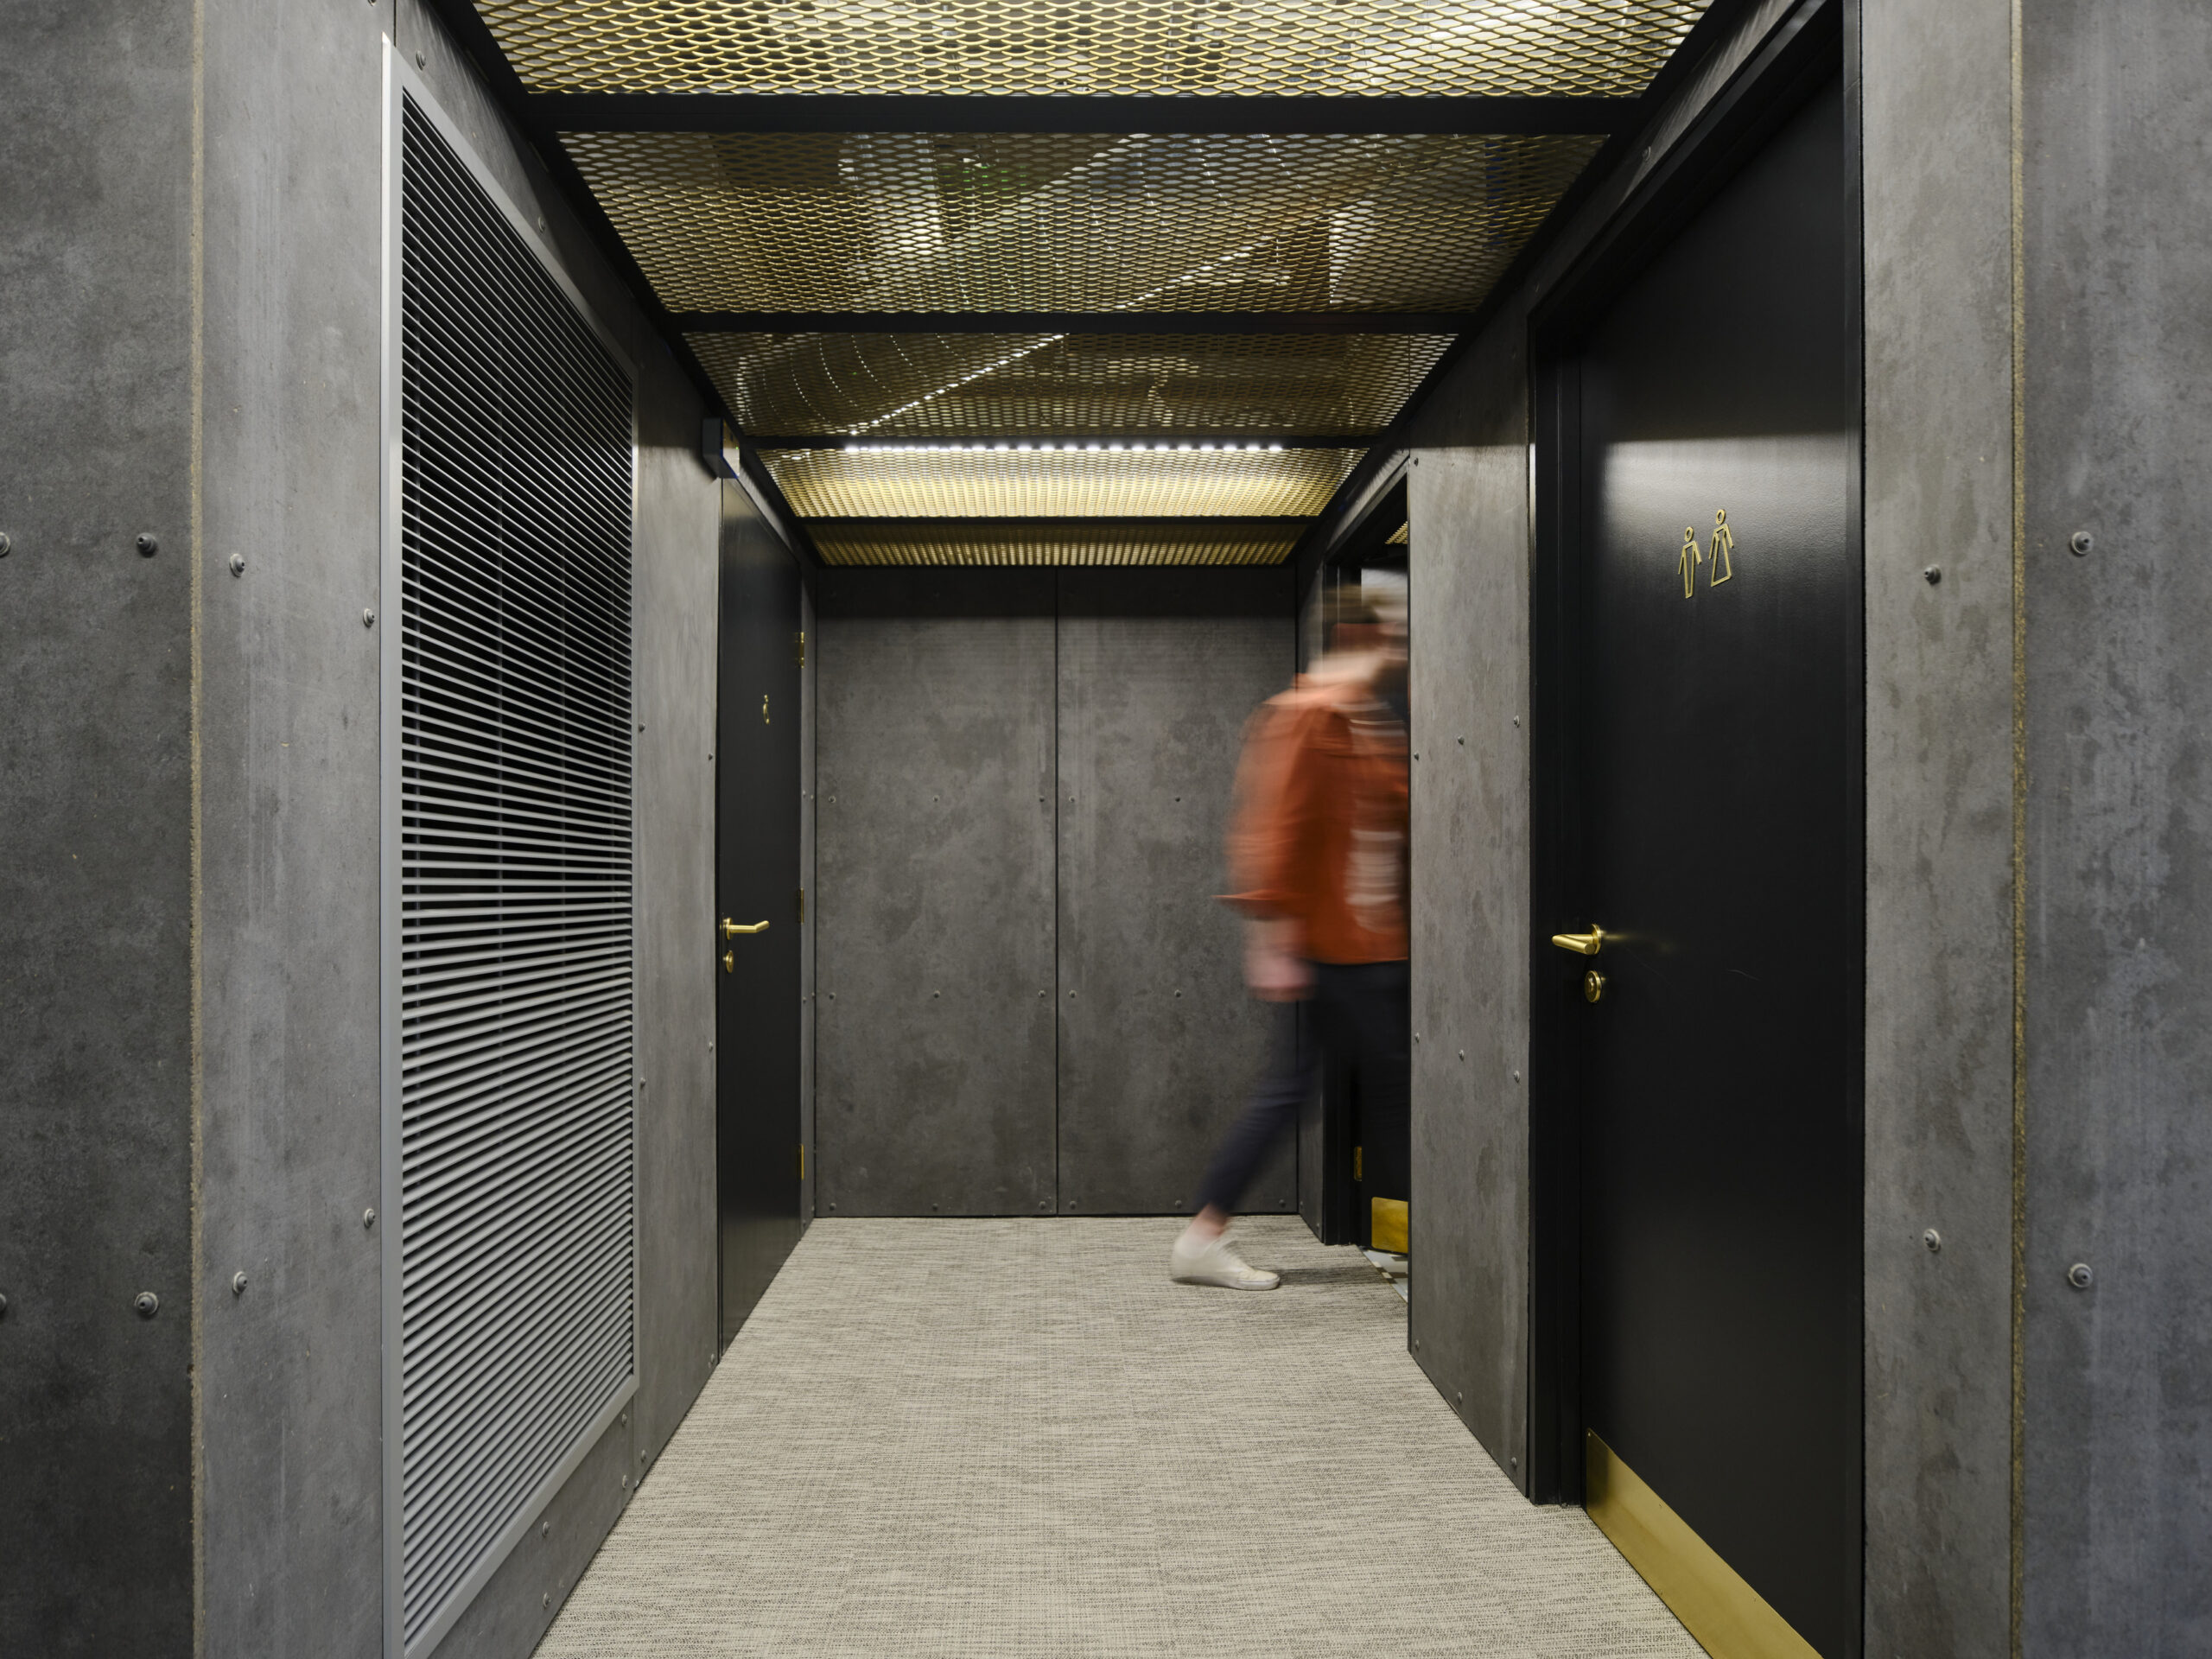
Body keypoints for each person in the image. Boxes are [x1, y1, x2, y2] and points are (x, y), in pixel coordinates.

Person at [1171, 588, 1409, 1290]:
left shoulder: (1365, 721)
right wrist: (1272, 935)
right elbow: (1272, 829)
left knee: (1321, 1087)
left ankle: (1206, 1235)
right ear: (1359, 636)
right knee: (1359, 1089)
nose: (1399, 648)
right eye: (1390, 634)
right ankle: (1204, 1235)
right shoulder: (1306, 716)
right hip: (1331, 949)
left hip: (1370, 945)